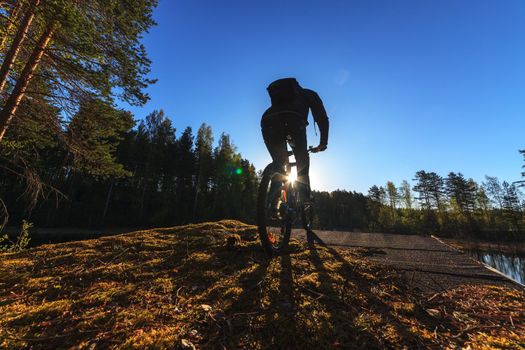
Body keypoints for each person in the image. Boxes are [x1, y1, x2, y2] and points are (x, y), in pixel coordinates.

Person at [260, 77, 329, 243]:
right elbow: (322, 118)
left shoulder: (279, 101)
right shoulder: (309, 94)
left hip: (268, 120)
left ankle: (273, 202)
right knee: (301, 159)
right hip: (293, 121)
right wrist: (322, 143)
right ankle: (305, 195)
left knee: (279, 162)